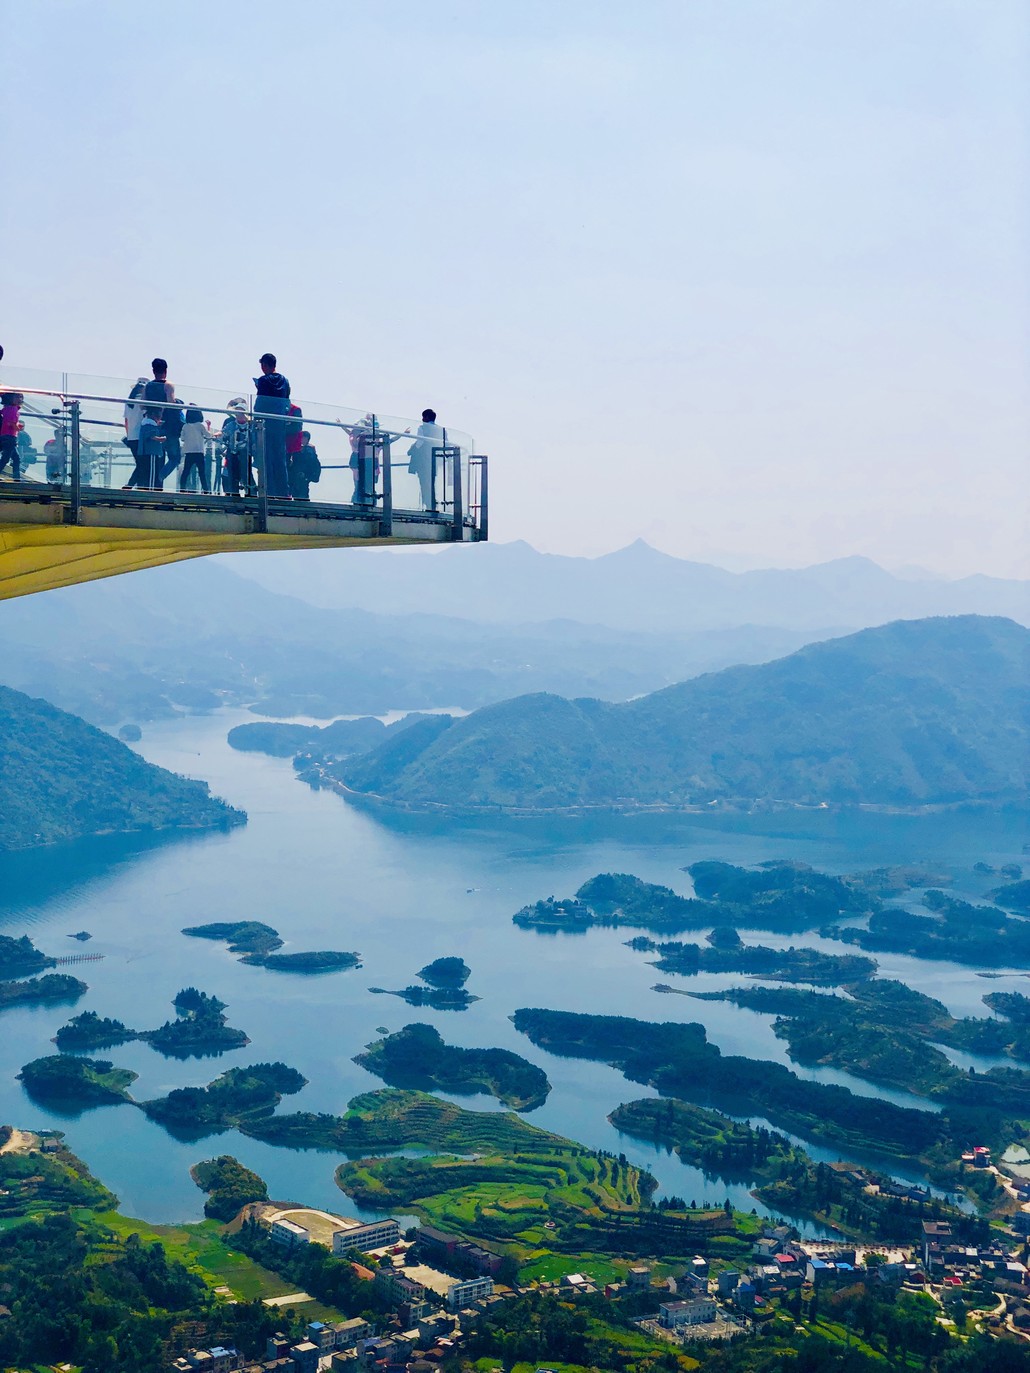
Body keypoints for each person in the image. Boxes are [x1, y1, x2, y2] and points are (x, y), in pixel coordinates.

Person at [253, 353, 291, 498]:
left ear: (264, 365)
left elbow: (261, 403)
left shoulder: (263, 380)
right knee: (280, 458)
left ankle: (269, 491)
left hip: (266, 425)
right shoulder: (285, 381)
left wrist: (256, 419)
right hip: (279, 424)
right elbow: (286, 400)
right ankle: (284, 492)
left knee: (266, 457)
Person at [406, 408, 444, 511]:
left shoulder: (422, 428)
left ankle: (427, 505)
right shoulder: (441, 430)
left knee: (424, 484)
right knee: (432, 483)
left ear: (427, 417)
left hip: (423, 461)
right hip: (434, 460)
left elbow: (419, 443)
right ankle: (433, 504)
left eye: (423, 417)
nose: (422, 419)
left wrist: (411, 449)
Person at [220, 403, 250, 496]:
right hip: (233, 454)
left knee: (247, 477)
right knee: (233, 477)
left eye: (240, 412)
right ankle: (234, 497)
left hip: (246, 455)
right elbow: (223, 434)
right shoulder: (231, 425)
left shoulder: (251, 426)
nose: (238, 415)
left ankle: (251, 496)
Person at [122, 379, 147, 489]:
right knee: (142, 464)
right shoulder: (144, 403)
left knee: (140, 463)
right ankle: (131, 484)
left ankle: (136, 485)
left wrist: (128, 435)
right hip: (140, 436)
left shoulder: (128, 403)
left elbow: (126, 421)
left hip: (131, 436)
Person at [180, 404, 210, 493]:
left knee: (186, 471)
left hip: (189, 452)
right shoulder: (200, 425)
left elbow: (182, 438)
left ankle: (182, 488)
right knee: (202, 473)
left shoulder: (185, 426)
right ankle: (206, 490)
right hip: (199, 451)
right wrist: (208, 426)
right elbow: (208, 435)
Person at [289, 430, 322, 500]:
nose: (302, 440)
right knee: (296, 494)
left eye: (304, 438)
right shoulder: (295, 449)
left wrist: (309, 476)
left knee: (303, 495)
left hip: (304, 477)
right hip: (295, 476)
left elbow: (315, 465)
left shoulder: (309, 451)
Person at [0, 393, 23, 479]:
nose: (19, 399)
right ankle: (16, 478)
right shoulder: (14, 410)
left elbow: (7, 420)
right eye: (17, 397)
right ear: (11, 399)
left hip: (4, 435)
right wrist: (18, 428)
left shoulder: (5, 409)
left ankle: (17, 477)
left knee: (16, 458)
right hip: (10, 436)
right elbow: (11, 423)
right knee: (6, 458)